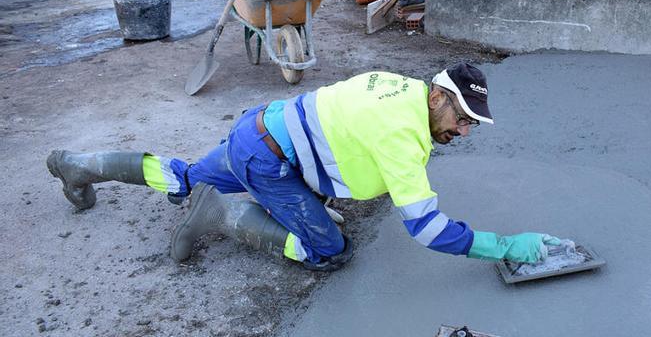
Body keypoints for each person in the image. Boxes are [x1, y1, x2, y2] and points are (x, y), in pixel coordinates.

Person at [47, 63, 561, 271]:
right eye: (463, 117)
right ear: (438, 97)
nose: (465, 131)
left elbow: (338, 135)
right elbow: (425, 230)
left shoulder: (399, 86)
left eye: (474, 123)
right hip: (271, 162)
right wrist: (503, 246)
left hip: (259, 130)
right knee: (331, 250)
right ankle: (219, 217)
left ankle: (79, 166)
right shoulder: (401, 135)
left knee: (181, 176)